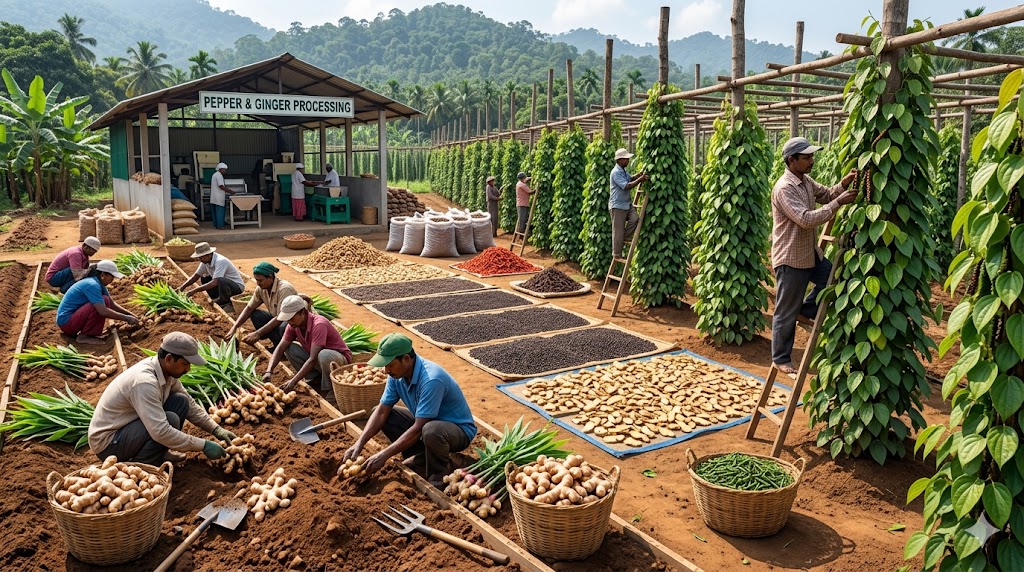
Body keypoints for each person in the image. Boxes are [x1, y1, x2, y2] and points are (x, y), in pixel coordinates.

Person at [771, 136, 859, 377]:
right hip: (790, 257)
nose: (812, 160)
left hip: (809, 252)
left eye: (812, 156)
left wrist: (842, 184)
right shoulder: (785, 188)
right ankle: (781, 358)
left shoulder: (805, 181)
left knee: (833, 278)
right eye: (806, 157)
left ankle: (806, 309)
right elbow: (805, 219)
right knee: (785, 311)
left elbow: (827, 194)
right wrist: (838, 203)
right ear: (791, 160)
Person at [343, 333, 477, 486]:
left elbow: (419, 427)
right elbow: (382, 411)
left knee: (431, 430)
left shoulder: (431, 379)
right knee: (380, 413)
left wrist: (383, 455)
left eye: (389, 364)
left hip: (457, 431)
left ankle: (439, 473)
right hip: (426, 424)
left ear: (406, 359)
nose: (386, 370)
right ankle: (421, 457)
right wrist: (359, 443)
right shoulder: (397, 376)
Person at [88, 332, 235, 464]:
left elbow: (189, 404)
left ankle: (159, 453)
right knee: (170, 420)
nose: (188, 369)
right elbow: (160, 431)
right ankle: (142, 464)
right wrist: (203, 445)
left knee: (181, 401)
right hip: (109, 443)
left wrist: (215, 429)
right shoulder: (144, 382)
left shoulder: (166, 371)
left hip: (128, 429)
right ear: (169, 358)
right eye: (185, 364)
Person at [263, 295, 352, 398]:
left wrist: (293, 381)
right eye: (287, 319)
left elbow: (313, 359)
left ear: (303, 312)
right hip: (319, 361)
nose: (289, 322)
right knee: (290, 347)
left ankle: (332, 388)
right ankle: (314, 378)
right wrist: (269, 370)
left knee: (324, 355)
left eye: (291, 318)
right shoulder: (293, 325)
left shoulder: (319, 324)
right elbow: (280, 348)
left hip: (338, 363)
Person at [56, 260, 139, 344]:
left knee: (105, 300)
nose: (112, 280)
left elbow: (112, 304)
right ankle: (85, 336)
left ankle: (89, 333)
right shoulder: (92, 285)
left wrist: (131, 315)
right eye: (112, 277)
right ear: (103, 275)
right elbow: (103, 311)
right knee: (99, 305)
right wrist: (126, 318)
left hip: (71, 320)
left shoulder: (99, 284)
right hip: (66, 323)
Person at [225, 261, 298, 349]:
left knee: (284, 326)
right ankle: (276, 343)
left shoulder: (284, 289)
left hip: (292, 321)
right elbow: (249, 308)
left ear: (270, 277)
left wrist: (257, 333)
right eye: (256, 280)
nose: (258, 283)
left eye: (260, 280)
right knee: (256, 315)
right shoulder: (261, 289)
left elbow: (281, 318)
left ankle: (286, 349)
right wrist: (234, 327)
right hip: (277, 319)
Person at [179, 242, 245, 312]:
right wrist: (182, 287)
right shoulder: (205, 262)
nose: (200, 259)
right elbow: (196, 275)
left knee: (220, 280)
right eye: (199, 257)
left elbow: (215, 282)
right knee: (204, 278)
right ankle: (217, 298)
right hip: (224, 286)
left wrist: (194, 290)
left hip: (236, 287)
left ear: (209, 254)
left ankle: (227, 303)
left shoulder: (220, 261)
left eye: (201, 257)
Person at [609, 148, 649, 258]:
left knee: (635, 219)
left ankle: (625, 236)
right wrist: (640, 180)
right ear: (619, 160)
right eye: (626, 159)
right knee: (618, 230)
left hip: (626, 204)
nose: (628, 160)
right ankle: (616, 254)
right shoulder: (615, 172)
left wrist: (637, 176)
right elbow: (627, 186)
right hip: (617, 205)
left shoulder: (623, 171)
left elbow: (630, 179)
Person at [209, 162, 235, 230]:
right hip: (218, 197)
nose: (225, 171)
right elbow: (221, 186)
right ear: (220, 169)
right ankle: (220, 225)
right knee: (220, 212)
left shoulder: (215, 174)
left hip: (214, 197)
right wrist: (230, 191)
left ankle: (216, 224)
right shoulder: (219, 175)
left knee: (215, 212)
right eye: (224, 169)